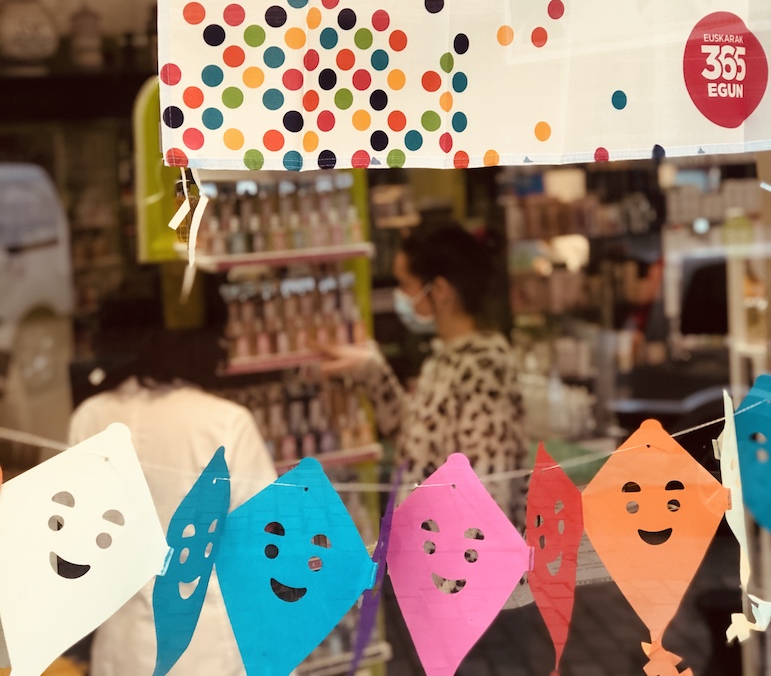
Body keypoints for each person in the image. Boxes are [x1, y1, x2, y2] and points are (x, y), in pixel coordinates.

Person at [69, 292, 276, 676]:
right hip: (207, 646)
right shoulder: (225, 422)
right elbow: (266, 547)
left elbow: (76, 542)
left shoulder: (90, 417)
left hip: (120, 645)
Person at [322, 222, 528, 523]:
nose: (400, 296)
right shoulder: (445, 357)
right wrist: (372, 371)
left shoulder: (485, 372)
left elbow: (487, 498)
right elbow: (418, 444)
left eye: (406, 284)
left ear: (440, 290)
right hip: (425, 548)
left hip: (451, 552)